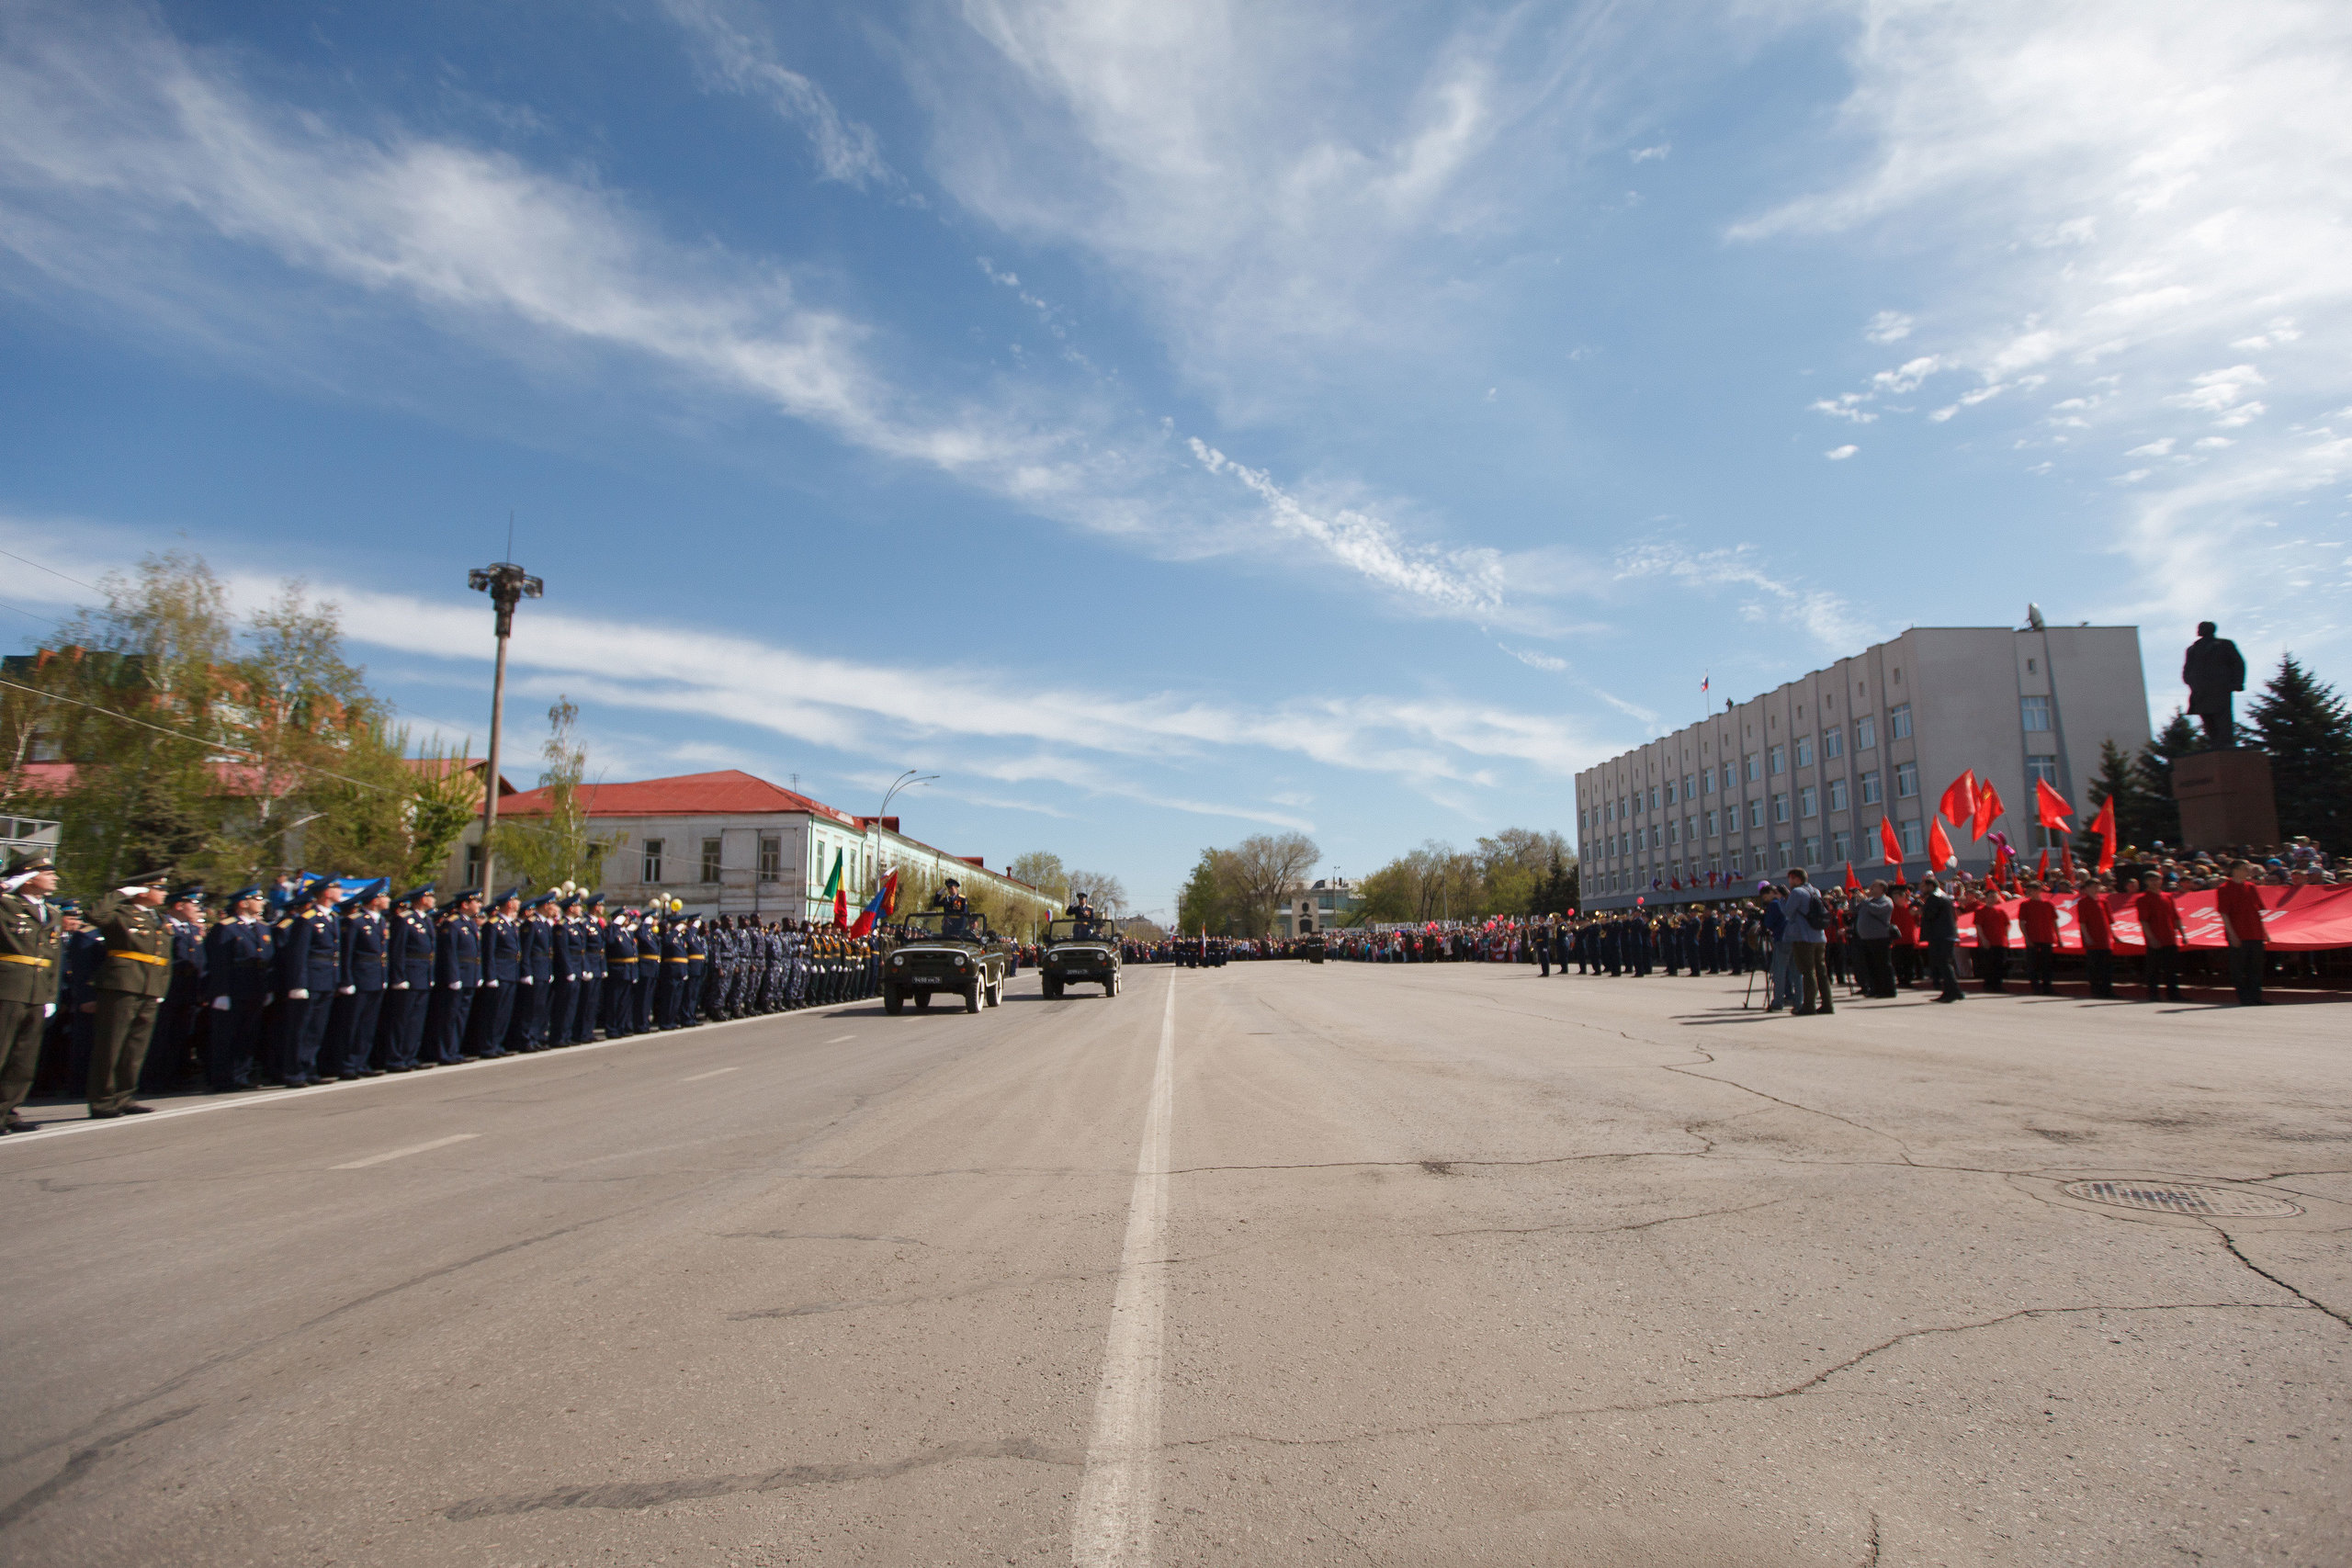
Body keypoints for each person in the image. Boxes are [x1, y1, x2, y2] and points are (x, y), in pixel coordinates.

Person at [88, 871, 174, 1118]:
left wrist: (161, 989)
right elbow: (95, 915)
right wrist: (120, 894)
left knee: (135, 1047)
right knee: (111, 1045)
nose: (164, 893)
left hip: (150, 986)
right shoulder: (121, 913)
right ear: (142, 890)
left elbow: (165, 958)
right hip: (123, 984)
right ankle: (102, 1101)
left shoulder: (158, 918)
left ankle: (124, 1096)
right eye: (159, 888)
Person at [0, 851, 63, 1134]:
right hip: (8, 987)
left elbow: (54, 958)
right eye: (48, 873)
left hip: (37, 991)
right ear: (27, 878)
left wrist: (51, 995)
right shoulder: (6, 905)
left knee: (23, 1058)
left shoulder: (52, 912)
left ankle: (7, 1111)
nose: (55, 878)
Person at [270, 875, 345, 1086]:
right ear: (326, 893)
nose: (340, 891)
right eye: (337, 888)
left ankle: (309, 1067)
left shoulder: (332, 918)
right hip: (310, 980)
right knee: (301, 1027)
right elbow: (299, 954)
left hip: (326, 979)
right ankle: (293, 1071)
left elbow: (334, 954)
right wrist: (298, 984)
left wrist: (336, 979)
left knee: (316, 1028)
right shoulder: (307, 919)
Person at [201, 886, 272, 1090]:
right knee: (226, 1036)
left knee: (248, 1034)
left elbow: (266, 961)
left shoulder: (262, 927)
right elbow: (218, 963)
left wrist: (267, 989)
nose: (261, 902)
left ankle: (241, 1075)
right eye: (257, 899)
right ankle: (222, 1078)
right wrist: (220, 992)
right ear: (243, 903)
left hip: (255, 986)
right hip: (233, 988)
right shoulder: (226, 928)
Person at [326, 879, 390, 1079]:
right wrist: (346, 980)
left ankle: (360, 1062)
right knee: (351, 1024)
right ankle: (346, 1064)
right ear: (374, 900)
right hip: (359, 977)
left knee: (367, 1025)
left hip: (375, 977)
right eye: (383, 896)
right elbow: (347, 954)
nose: (387, 899)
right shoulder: (355, 921)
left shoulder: (379, 921)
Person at [1781, 869, 1834, 1016]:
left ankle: (1809, 1006)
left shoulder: (1797, 892)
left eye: (1790, 879)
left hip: (1804, 936)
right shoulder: (1815, 891)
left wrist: (1783, 898)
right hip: (1819, 936)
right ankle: (1828, 1004)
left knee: (1808, 971)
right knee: (1822, 972)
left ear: (1795, 879)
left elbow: (1787, 912)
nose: (1789, 882)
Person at [2216, 860, 2268, 1006]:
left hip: (2255, 932)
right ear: (2235, 870)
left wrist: (2264, 932)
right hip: (2239, 934)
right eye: (2245, 869)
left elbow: (2257, 911)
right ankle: (2244, 997)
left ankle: (2256, 996)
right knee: (2239, 967)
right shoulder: (2224, 888)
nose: (2248, 871)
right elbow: (2224, 913)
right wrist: (2232, 934)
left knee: (2256, 967)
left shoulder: (2251, 887)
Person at [2133, 874, 2187, 1002]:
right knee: (2154, 968)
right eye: (2152, 880)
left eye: (2157, 879)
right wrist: (2151, 938)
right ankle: (2153, 994)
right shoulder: (2143, 899)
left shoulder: (2167, 897)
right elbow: (2144, 921)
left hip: (2169, 937)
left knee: (2171, 968)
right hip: (2155, 938)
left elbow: (2176, 917)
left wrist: (2183, 934)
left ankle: (2173, 994)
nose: (2155, 882)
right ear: (2146, 882)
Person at [1918, 874, 1964, 1002]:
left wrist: (1921, 911)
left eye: (1923, 886)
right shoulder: (1942, 896)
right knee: (1944, 963)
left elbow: (1931, 915)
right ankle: (1954, 991)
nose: (1921, 889)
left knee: (1943, 963)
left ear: (1930, 886)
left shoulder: (1935, 898)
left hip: (1940, 935)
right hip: (1944, 935)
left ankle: (1951, 992)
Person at [2074, 876, 2117, 998]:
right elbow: (2082, 922)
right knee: (2094, 965)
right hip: (2092, 938)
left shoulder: (2104, 902)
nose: (2095, 888)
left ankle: (2108, 990)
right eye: (2092, 886)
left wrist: (2113, 936)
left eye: (2097, 886)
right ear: (2086, 889)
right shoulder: (2083, 903)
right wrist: (2087, 936)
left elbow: (2109, 921)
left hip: (2105, 938)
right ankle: (2096, 990)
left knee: (2107, 966)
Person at [1853, 881, 1896, 998]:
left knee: (1882, 964)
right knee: (1870, 965)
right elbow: (1855, 910)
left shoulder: (1886, 901)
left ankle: (1888, 990)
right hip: (1867, 938)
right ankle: (1875, 988)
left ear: (1882, 888)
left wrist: (1865, 901)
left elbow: (1877, 910)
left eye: (1874, 886)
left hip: (1880, 937)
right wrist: (1855, 898)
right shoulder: (1869, 901)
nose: (1871, 888)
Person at [2016, 881, 2060, 996]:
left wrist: (2058, 937)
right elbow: (2021, 922)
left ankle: (2047, 987)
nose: (2029, 892)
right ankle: (2035, 987)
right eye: (2028, 890)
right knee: (2032, 964)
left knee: (2047, 964)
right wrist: (2026, 937)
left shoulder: (2048, 904)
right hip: (2032, 938)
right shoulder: (2025, 905)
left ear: (2038, 891)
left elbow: (2054, 922)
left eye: (2031, 890)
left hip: (2046, 937)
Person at [1972, 889, 2012, 992]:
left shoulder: (2001, 911)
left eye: (1995, 896)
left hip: (2000, 942)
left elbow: (2007, 925)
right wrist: (1983, 939)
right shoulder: (1980, 910)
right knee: (1988, 965)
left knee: (2000, 964)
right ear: (1986, 898)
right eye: (1991, 897)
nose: (1993, 899)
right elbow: (1978, 926)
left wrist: (2006, 938)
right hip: (1987, 942)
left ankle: (1998, 985)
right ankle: (1988, 985)